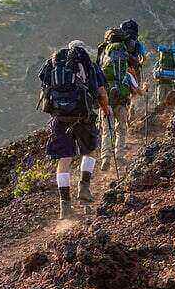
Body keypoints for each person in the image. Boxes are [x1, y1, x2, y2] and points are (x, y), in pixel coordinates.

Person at [39, 40, 109, 219]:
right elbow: (101, 92)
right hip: (82, 117)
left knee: (64, 160)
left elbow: (43, 91)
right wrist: (106, 109)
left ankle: (65, 205)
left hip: (60, 119)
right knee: (91, 151)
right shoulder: (89, 65)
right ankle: (84, 187)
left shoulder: (54, 65)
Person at [97, 28, 146, 172]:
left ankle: (105, 157)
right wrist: (145, 88)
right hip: (123, 101)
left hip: (107, 101)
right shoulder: (127, 72)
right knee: (122, 129)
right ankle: (119, 155)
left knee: (107, 130)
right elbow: (138, 91)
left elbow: (98, 85)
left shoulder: (103, 63)